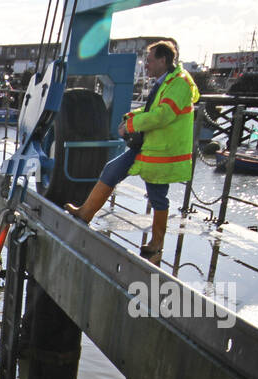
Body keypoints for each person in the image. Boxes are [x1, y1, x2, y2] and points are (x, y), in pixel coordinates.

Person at [65, 40, 199, 266]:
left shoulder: (180, 83)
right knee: (112, 170)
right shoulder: (166, 82)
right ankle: (86, 212)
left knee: (157, 195)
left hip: (162, 152)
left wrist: (131, 125)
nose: (146, 65)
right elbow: (151, 110)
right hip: (149, 147)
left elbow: (163, 115)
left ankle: (156, 243)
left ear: (163, 60)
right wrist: (131, 118)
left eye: (150, 60)